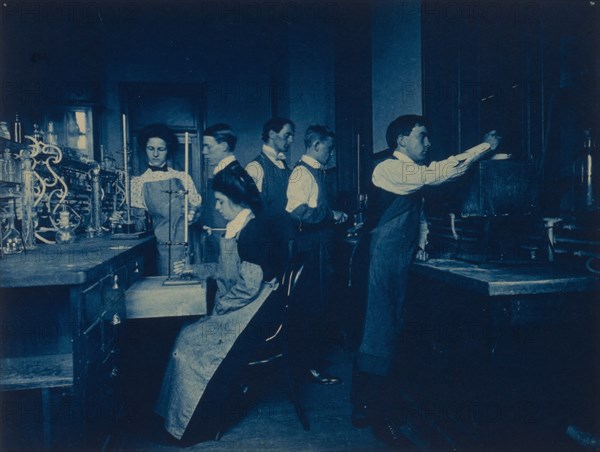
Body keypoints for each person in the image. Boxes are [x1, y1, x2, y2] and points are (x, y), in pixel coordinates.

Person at [351, 114, 500, 447]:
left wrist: (420, 245)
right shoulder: (388, 168)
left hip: (395, 259)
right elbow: (435, 175)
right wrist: (485, 148)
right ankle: (380, 419)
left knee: (383, 332)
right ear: (402, 140)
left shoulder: (407, 175)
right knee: (379, 335)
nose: (428, 142)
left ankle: (364, 407)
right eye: (422, 136)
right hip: (379, 259)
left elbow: (414, 215)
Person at [155, 164, 287, 444]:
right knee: (186, 338)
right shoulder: (239, 226)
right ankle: (171, 417)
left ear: (236, 200)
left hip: (256, 310)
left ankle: (191, 428)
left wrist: (221, 307)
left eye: (219, 201)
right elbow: (229, 269)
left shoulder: (254, 232)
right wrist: (196, 270)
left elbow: (249, 286)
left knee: (191, 348)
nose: (216, 207)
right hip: (245, 302)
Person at [285, 125, 348, 385]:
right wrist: (330, 215)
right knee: (310, 306)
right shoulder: (302, 173)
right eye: (329, 148)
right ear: (316, 146)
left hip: (321, 249)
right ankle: (307, 366)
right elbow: (296, 211)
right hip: (311, 250)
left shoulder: (317, 172)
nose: (331, 154)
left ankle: (311, 360)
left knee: (319, 304)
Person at [129, 123, 201, 276]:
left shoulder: (183, 177)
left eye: (161, 149)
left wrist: (193, 213)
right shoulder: (138, 182)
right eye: (151, 149)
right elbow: (139, 222)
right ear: (144, 149)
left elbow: (196, 208)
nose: (155, 154)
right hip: (162, 248)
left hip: (190, 244)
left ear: (168, 151)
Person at [245, 117, 296, 258]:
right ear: (272, 134)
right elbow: (250, 210)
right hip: (266, 243)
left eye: (292, 136)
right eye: (287, 135)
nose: (291, 140)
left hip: (285, 239)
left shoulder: (285, 166)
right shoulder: (255, 168)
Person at [199, 123, 243, 263]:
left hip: (226, 241)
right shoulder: (222, 172)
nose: (204, 152)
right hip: (217, 239)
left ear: (223, 146)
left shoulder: (232, 174)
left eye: (208, 146)